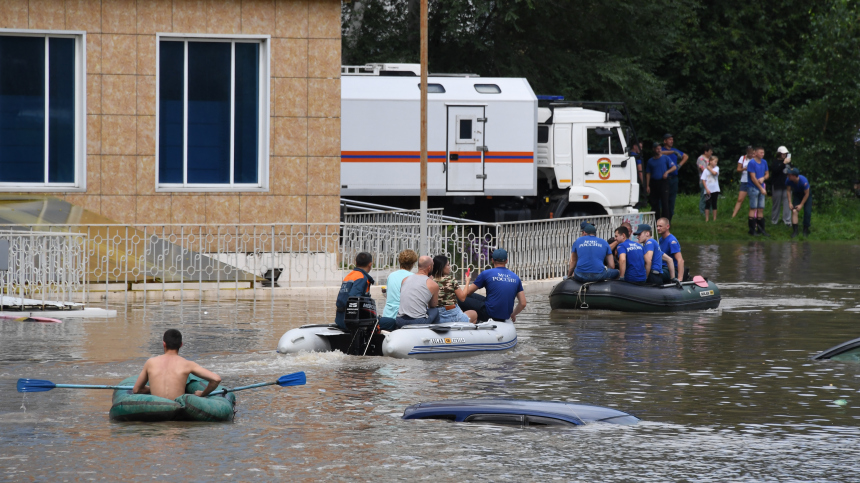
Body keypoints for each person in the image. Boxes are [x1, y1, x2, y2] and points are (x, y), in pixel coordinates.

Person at [133, 329, 222, 400]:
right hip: (176, 409)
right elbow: (216, 379)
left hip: (156, 408)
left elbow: (136, 390)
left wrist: (151, 388)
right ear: (181, 345)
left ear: (164, 344)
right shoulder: (188, 364)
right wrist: (202, 394)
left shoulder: (150, 362)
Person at [466, 249, 526, 322]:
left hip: (489, 314)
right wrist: (513, 314)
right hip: (505, 315)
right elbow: (523, 303)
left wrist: (467, 282)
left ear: (492, 260)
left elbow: (467, 292)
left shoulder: (486, 274)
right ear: (506, 261)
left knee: (459, 297)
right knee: (473, 296)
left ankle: (462, 318)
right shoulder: (516, 277)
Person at [335, 252, 379, 330]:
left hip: (340, 319)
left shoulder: (349, 276)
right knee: (386, 322)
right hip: (350, 322)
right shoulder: (362, 278)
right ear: (370, 264)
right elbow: (353, 299)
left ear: (356, 263)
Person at [395, 256, 441, 327]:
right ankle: (435, 334)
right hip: (418, 322)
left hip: (400, 320)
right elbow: (433, 305)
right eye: (432, 266)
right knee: (435, 310)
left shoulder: (405, 280)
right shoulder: (432, 284)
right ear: (429, 267)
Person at [431, 255, 478, 324]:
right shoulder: (451, 279)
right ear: (442, 267)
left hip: (437, 315)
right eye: (448, 265)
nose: (450, 267)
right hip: (452, 313)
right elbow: (462, 298)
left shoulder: (430, 281)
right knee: (474, 314)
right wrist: (467, 282)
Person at [382, 249, 418, 319]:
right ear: (413, 263)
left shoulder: (391, 275)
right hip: (402, 316)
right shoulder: (413, 277)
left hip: (387, 314)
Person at [660, 133, 688, 221]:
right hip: (664, 179)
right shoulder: (662, 150)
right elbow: (659, 153)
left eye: (672, 139)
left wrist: (679, 165)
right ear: (665, 141)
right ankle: (661, 219)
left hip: (674, 178)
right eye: (669, 139)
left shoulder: (674, 150)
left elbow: (686, 156)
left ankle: (669, 221)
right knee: (663, 200)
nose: (671, 141)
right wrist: (672, 152)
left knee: (672, 201)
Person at [646, 142, 675, 221]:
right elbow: (648, 173)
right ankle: (656, 220)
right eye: (657, 149)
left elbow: (674, 167)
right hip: (654, 182)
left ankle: (666, 221)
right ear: (654, 149)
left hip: (663, 182)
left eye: (660, 149)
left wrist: (667, 172)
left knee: (665, 202)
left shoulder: (665, 158)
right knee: (654, 203)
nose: (659, 150)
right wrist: (647, 185)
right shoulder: (650, 161)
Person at [747, 146, 770, 236]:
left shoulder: (764, 162)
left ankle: (761, 229)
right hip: (753, 187)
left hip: (761, 187)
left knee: (761, 208)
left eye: (763, 153)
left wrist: (763, 178)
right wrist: (761, 188)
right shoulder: (751, 163)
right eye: (761, 152)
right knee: (753, 208)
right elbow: (752, 178)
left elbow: (767, 174)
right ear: (755, 153)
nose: (762, 154)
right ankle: (752, 230)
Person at [656, 217, 686, 281]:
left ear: (667, 226)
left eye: (660, 226)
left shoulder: (672, 241)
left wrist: (679, 279)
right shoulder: (661, 240)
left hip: (671, 270)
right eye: (657, 226)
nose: (658, 228)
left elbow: (680, 260)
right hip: (662, 268)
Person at [786, 168, 812, 238]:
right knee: (794, 211)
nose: (788, 176)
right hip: (797, 194)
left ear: (794, 176)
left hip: (806, 195)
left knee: (807, 212)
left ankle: (805, 230)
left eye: (790, 175)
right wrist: (789, 202)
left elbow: (807, 194)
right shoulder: (788, 180)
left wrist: (801, 204)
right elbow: (788, 191)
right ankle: (795, 231)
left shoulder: (804, 181)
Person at [770, 146, 792, 226]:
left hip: (787, 185)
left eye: (785, 154)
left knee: (787, 203)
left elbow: (791, 171)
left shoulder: (788, 161)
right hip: (777, 185)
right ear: (779, 154)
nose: (784, 155)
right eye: (783, 154)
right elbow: (775, 170)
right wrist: (783, 163)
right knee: (776, 204)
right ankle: (774, 220)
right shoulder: (775, 162)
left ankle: (787, 220)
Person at [731, 146, 755, 218]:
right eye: (749, 153)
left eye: (751, 153)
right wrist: (745, 168)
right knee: (740, 199)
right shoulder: (743, 158)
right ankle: (733, 216)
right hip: (744, 180)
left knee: (753, 199)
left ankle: (752, 216)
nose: (750, 154)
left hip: (753, 181)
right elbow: (738, 169)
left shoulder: (756, 159)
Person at [700, 155, 720, 222]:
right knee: (707, 204)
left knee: (714, 203)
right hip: (708, 190)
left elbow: (714, 173)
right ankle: (707, 219)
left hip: (715, 189)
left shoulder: (716, 168)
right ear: (710, 162)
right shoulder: (705, 171)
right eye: (715, 162)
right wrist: (706, 189)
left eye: (716, 162)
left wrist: (709, 168)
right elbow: (703, 180)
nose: (716, 163)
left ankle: (714, 218)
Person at [696, 144, 713, 215]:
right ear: (705, 152)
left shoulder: (711, 159)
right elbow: (704, 170)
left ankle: (710, 212)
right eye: (710, 151)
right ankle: (702, 212)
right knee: (704, 196)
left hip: (711, 181)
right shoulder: (701, 159)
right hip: (704, 181)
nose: (711, 152)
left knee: (711, 197)